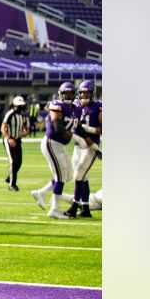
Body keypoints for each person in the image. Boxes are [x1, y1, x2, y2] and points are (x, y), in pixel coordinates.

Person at [31, 82, 83, 220]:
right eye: (64, 93)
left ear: (74, 94)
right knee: (60, 177)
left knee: (67, 175)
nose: (67, 95)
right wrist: (77, 138)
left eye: (70, 93)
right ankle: (54, 209)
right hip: (51, 143)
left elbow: (78, 126)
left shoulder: (77, 108)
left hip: (60, 145)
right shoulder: (56, 105)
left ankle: (41, 193)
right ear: (60, 94)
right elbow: (58, 127)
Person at [66, 80, 102, 218]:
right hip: (78, 145)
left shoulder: (98, 107)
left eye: (87, 92)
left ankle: (74, 207)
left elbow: (102, 129)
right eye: (81, 92)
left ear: (92, 93)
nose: (84, 95)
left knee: (78, 175)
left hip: (90, 146)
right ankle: (85, 208)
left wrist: (87, 129)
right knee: (83, 177)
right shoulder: (74, 105)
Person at [1, 95, 30, 191]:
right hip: (9, 139)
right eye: (18, 105)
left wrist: (25, 132)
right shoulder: (10, 114)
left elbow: (25, 128)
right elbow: (3, 128)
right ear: (14, 105)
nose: (20, 107)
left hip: (17, 139)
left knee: (19, 162)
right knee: (13, 161)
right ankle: (12, 185)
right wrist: (9, 138)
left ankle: (10, 177)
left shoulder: (22, 115)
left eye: (21, 105)